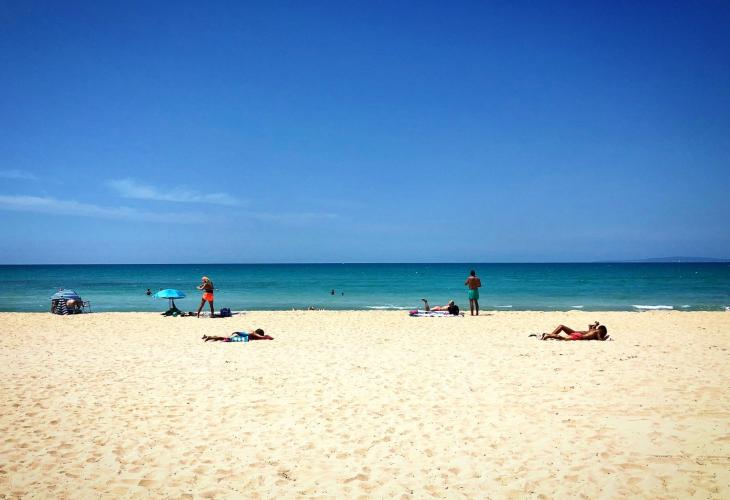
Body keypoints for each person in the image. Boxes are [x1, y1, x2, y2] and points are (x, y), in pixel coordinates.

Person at [541, 321, 609, 341]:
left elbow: (590, 326)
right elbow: (600, 339)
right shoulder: (597, 331)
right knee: (563, 338)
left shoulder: (592, 330)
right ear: (602, 331)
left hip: (576, 333)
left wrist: (596, 324)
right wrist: (605, 338)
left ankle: (550, 335)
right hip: (579, 336)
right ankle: (549, 336)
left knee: (561, 326)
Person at [202, 329, 273, 342]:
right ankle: (209, 337)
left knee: (223, 337)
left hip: (237, 334)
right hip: (237, 335)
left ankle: (207, 336)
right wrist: (264, 337)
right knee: (223, 338)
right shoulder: (253, 335)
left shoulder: (253, 335)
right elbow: (269, 337)